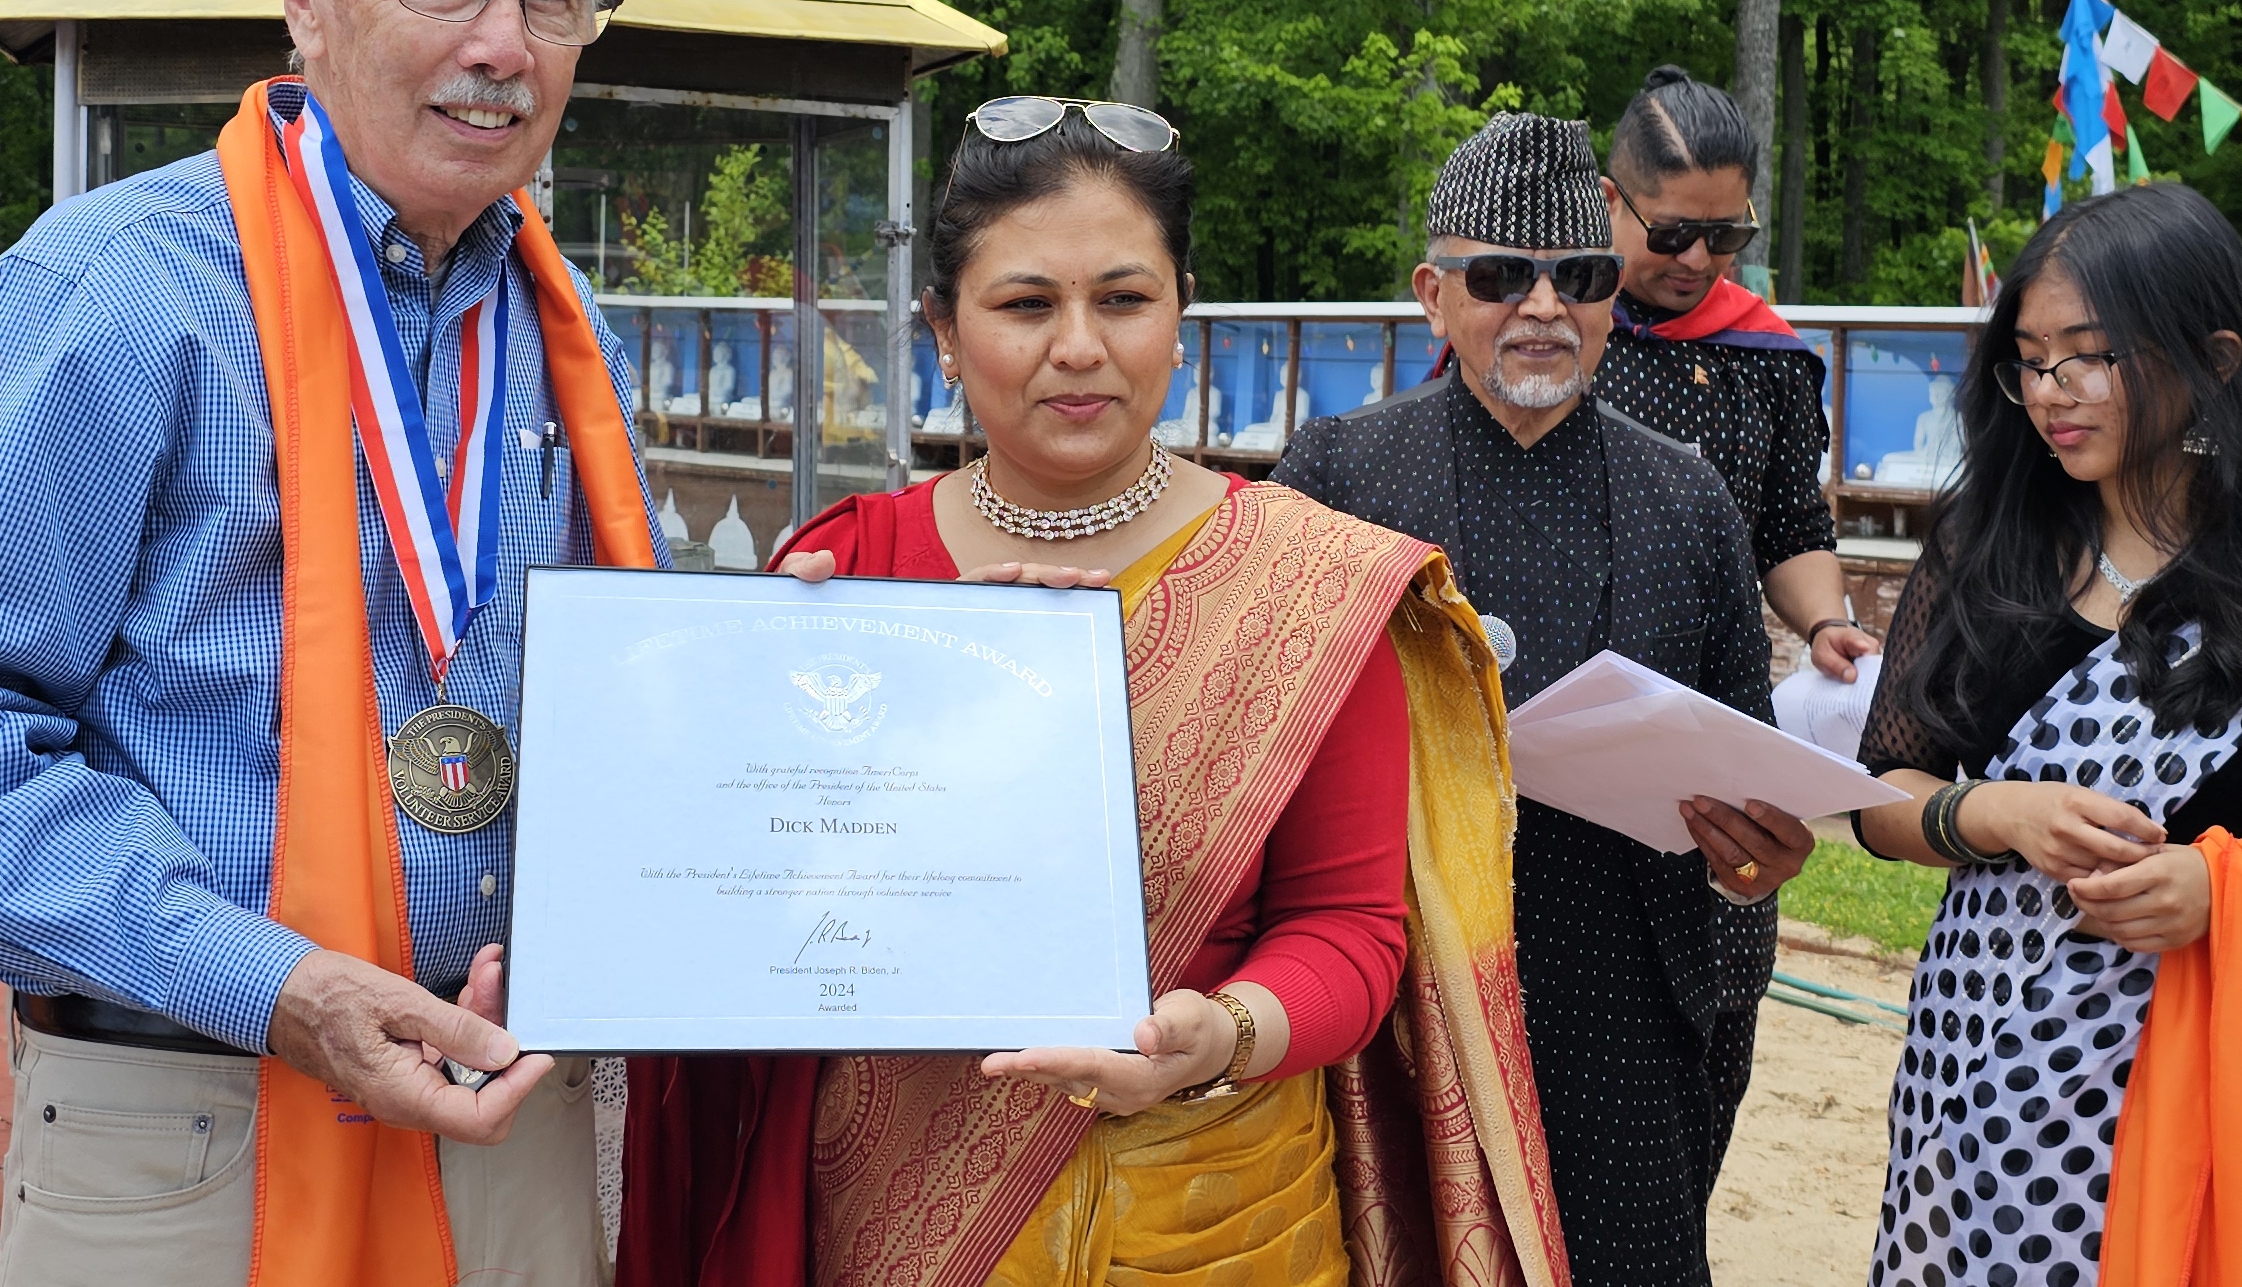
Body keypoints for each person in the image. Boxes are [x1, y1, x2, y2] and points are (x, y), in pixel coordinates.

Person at [0, 0, 662, 1286]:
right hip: (193, 1120)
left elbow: (619, 707)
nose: (502, 44)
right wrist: (272, 983)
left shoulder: (561, 322)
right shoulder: (118, 286)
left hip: (513, 1123)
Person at [616, 97, 1567, 1287]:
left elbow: (1347, 927)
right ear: (943, 328)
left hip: (1218, 1222)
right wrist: (745, 700)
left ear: (1179, 316)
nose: (1078, 346)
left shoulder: (1305, 586)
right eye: (1025, 304)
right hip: (899, 1221)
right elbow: (726, 910)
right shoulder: (848, 573)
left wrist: (1218, 1031)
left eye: (1122, 298)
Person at [1844, 181, 2242, 1287]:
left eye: (2088, 357)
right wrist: (1990, 810)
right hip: (1978, 1091)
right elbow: (1880, 797)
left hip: (2222, 1110)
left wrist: (2227, 891)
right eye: (2028, 361)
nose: (2049, 393)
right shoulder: (1984, 548)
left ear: (2215, 359)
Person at [1270, 111, 1814, 1287]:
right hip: (1399, 987)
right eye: (1500, 276)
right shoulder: (1336, 474)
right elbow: (1264, 740)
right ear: (1432, 295)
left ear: (1612, 295)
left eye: (1579, 276)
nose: (1542, 305)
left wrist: (1757, 855)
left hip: (1628, 992)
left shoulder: (1689, 498)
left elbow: (1747, 759)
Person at [1589, 65, 1875, 684]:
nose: (1697, 259)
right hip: (1552, 674)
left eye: (1723, 234)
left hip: (1712, 681)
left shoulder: (1765, 355)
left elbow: (1790, 527)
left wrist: (1826, 623)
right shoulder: (1549, 332)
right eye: (1673, 234)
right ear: (1609, 202)